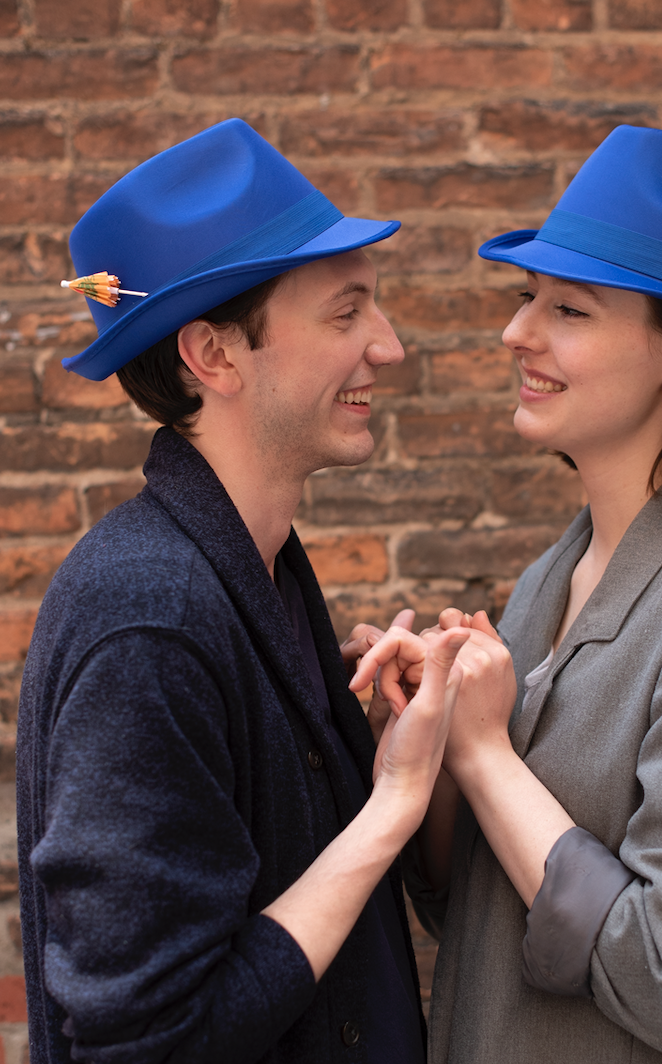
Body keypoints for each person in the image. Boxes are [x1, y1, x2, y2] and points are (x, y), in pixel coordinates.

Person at [351, 126, 662, 1064]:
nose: (517, 333)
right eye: (525, 298)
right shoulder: (551, 580)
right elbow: (481, 911)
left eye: (570, 311)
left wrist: (490, 755)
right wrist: (433, 745)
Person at [16, 118, 470, 1064]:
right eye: (345, 314)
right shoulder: (149, 619)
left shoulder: (258, 573)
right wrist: (391, 805)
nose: (385, 347)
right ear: (214, 355)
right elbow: (146, 1044)